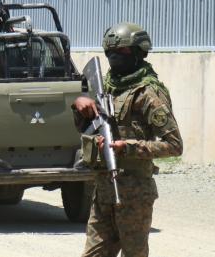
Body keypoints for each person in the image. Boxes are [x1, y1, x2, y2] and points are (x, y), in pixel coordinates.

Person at [72, 22, 183, 257]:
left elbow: (174, 146)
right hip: (103, 189)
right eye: (110, 52)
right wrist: (80, 107)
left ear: (138, 53)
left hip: (134, 193)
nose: (114, 57)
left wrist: (128, 147)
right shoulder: (106, 87)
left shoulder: (148, 93)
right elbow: (87, 129)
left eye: (121, 52)